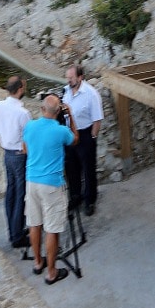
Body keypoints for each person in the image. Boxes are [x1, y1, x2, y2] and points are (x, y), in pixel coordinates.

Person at [21, 93, 77, 284]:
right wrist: (70, 116)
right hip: (52, 184)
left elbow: (25, 149)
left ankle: (38, 263)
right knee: (52, 228)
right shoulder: (60, 131)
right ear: (59, 111)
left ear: (42, 109)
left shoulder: (30, 126)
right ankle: (51, 273)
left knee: (34, 223)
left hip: (31, 181)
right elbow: (75, 139)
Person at [0, 76, 30, 252]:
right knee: (21, 194)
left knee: (11, 193)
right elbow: (28, 140)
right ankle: (17, 236)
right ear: (20, 89)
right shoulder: (23, 113)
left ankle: (13, 230)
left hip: (7, 154)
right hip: (19, 155)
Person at [61, 64, 103, 217]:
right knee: (71, 168)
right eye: (67, 77)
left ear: (80, 77)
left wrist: (92, 138)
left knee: (88, 169)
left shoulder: (91, 94)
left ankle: (90, 200)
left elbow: (97, 119)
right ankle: (75, 197)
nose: (69, 80)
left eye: (71, 78)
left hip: (85, 134)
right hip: (70, 134)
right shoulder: (66, 92)